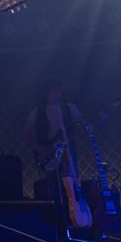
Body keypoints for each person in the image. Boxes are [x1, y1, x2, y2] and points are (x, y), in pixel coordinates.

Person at [22, 78, 88, 229]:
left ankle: (75, 219)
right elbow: (28, 132)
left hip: (67, 151)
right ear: (46, 93)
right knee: (53, 186)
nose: (55, 93)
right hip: (48, 152)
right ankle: (55, 222)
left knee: (72, 184)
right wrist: (37, 148)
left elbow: (79, 125)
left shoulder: (69, 108)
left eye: (57, 90)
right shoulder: (37, 111)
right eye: (51, 90)